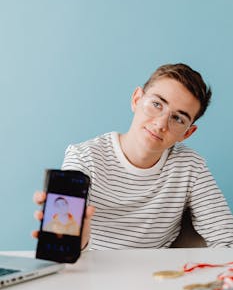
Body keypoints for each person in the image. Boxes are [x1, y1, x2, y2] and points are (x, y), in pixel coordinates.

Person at [33, 63, 233, 250]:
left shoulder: (190, 167)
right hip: (91, 273)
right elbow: (61, 244)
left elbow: (226, 240)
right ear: (137, 99)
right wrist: (79, 241)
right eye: (157, 104)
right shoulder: (85, 158)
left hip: (157, 279)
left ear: (187, 133)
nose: (161, 124)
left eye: (178, 118)